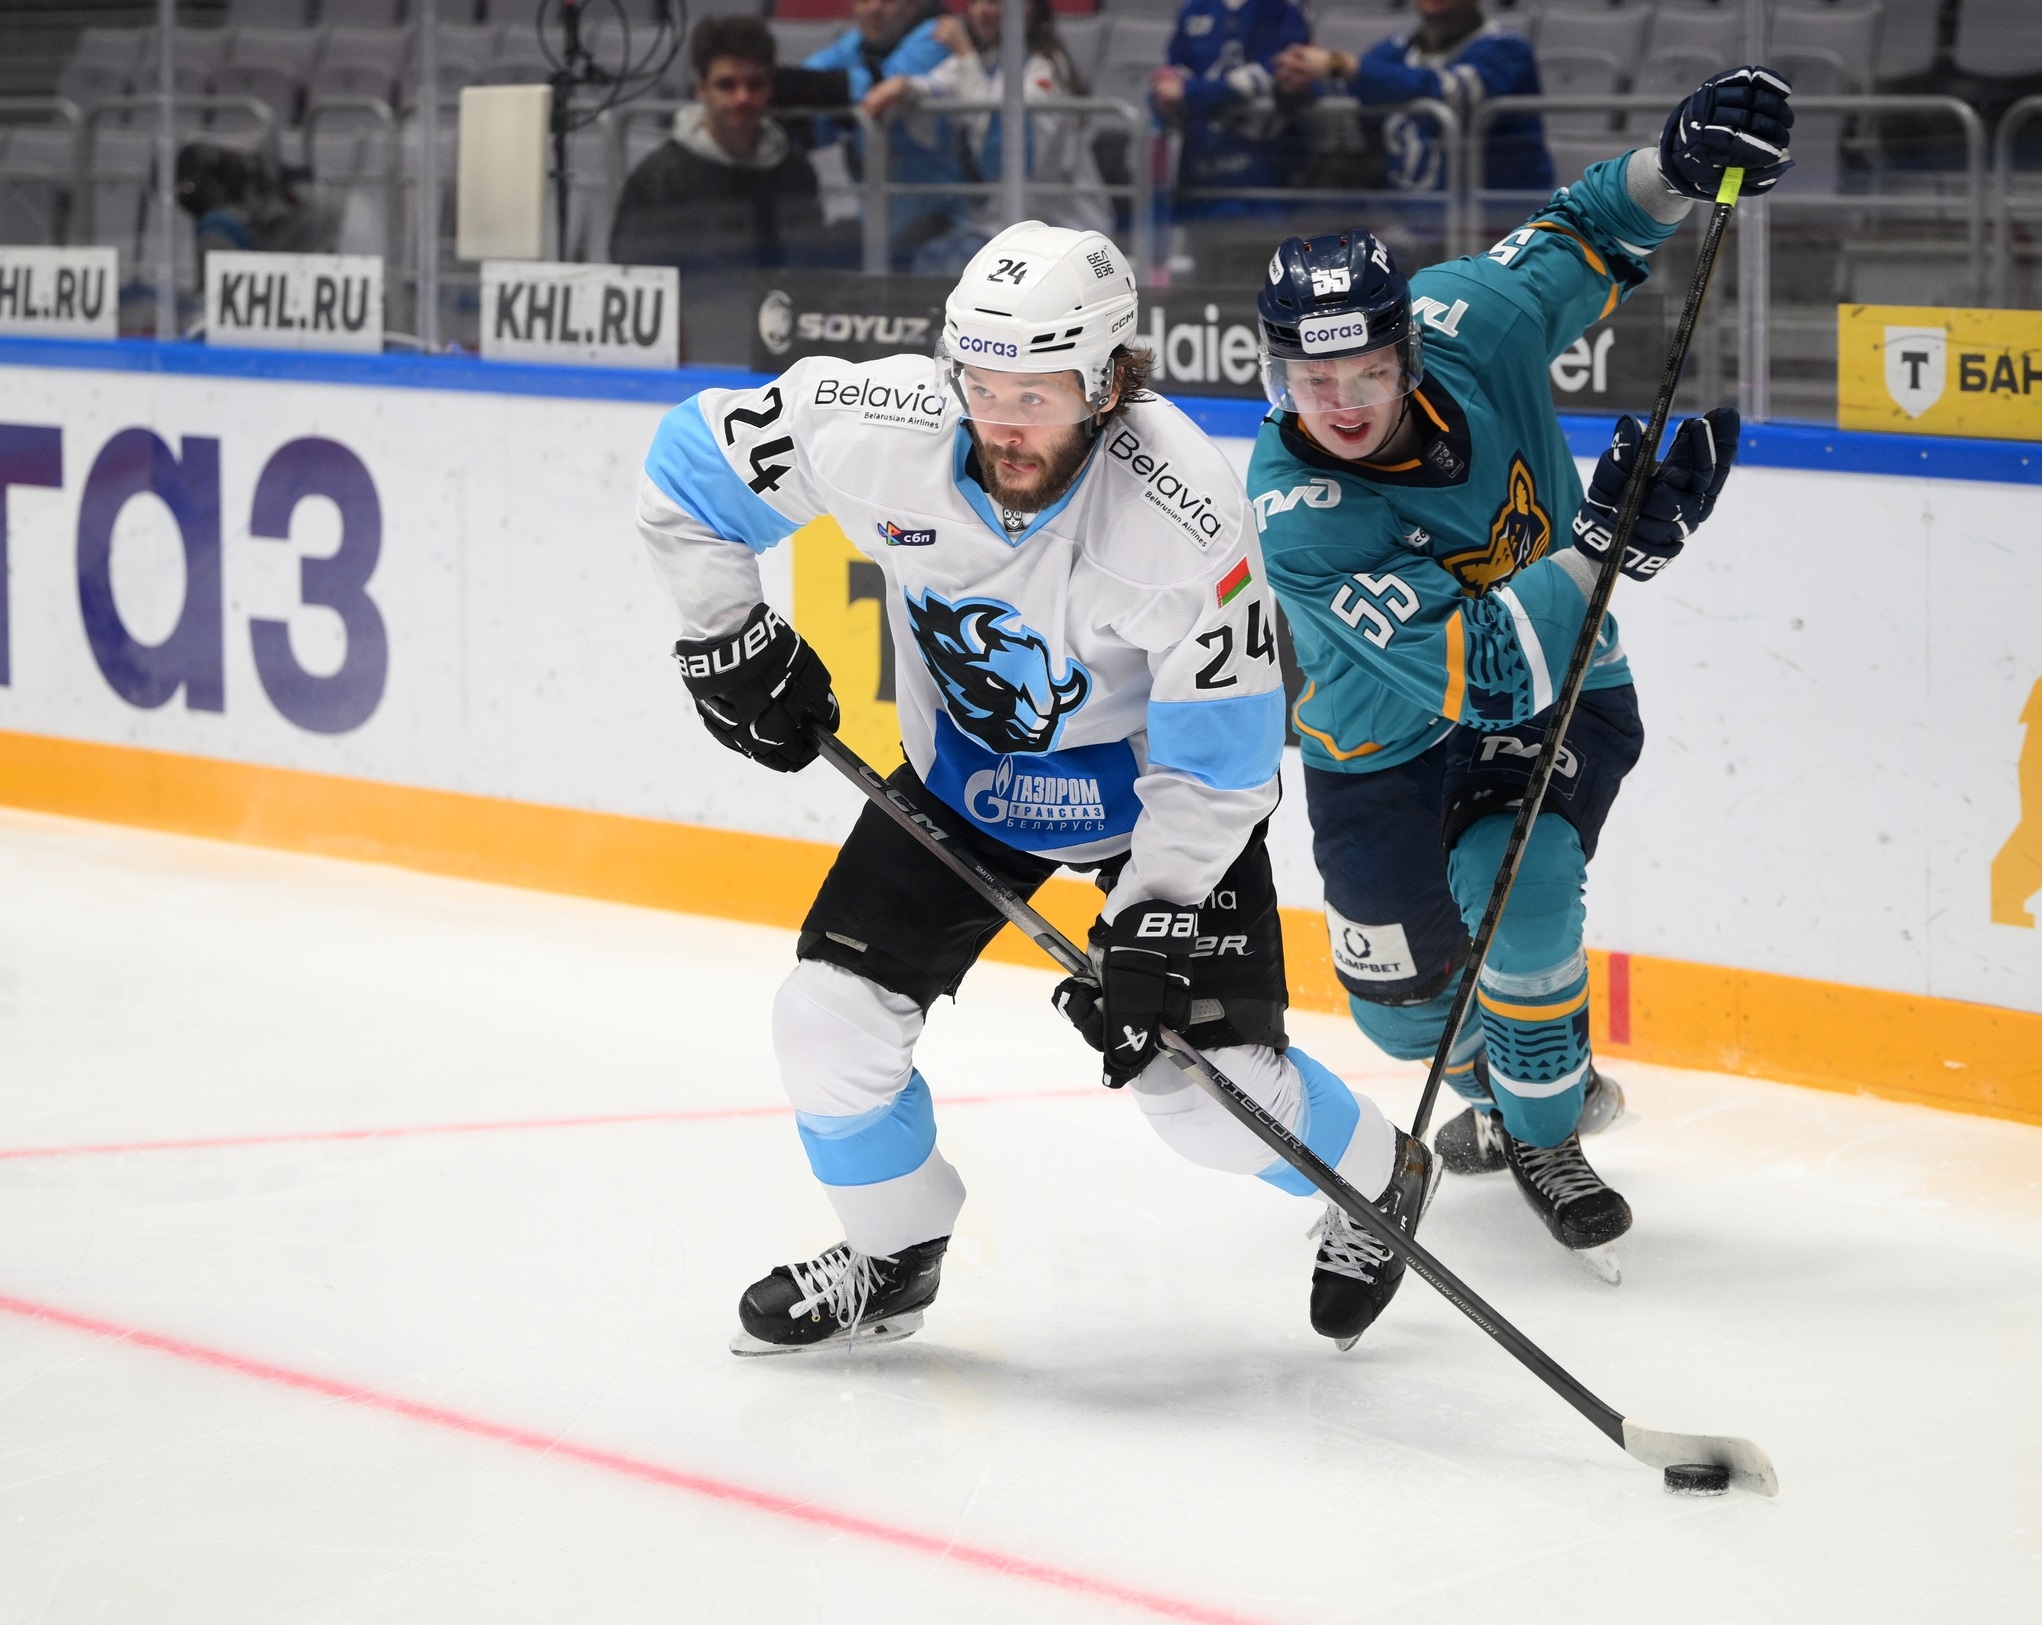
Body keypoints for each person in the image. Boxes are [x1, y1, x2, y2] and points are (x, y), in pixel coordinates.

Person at [634, 222, 1438, 1356]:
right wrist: (722, 631)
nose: (1004, 423)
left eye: (1038, 394)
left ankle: (1378, 1172)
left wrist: (1155, 910)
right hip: (965, 776)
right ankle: (892, 1253)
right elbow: (690, 463)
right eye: (982, 386)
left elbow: (1223, 754)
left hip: (1153, 804)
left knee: (1197, 1098)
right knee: (824, 1023)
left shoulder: (1186, 515)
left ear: (1108, 382)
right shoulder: (883, 424)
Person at [1246, 69, 1793, 1273]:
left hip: (1565, 684)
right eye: (1311, 381)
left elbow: (1590, 228)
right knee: (1399, 1013)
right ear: (1276, 375)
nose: (1340, 404)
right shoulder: (1300, 511)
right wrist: (1602, 544)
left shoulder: (1473, 320)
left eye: (1366, 372)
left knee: (1521, 872)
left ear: (1408, 348)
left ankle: (1547, 1137)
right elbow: (1482, 669)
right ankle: (1509, 1079)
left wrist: (1676, 163)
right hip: (1380, 740)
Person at [609, 16, 827, 359]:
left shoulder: (796, 172)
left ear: (770, 88)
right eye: (727, 85)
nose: (742, 98)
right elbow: (635, 279)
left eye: (754, 84)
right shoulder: (659, 176)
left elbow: (810, 275)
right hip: (687, 356)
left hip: (775, 356)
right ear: (701, 89)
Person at [868, 0, 1112, 244]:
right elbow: (937, 83)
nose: (982, 10)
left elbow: (1001, 146)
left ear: (1027, 8)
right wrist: (904, 86)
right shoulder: (986, 59)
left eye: (994, 2)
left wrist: (965, 52)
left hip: (1063, 226)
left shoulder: (1045, 69)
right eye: (975, 1)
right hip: (1001, 222)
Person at [1272, 0, 1550, 196]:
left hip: (1495, 230)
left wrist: (1342, 65)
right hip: (1409, 229)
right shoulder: (1394, 51)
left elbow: (1456, 96)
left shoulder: (1508, 50)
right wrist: (1299, 84)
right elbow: (1348, 120)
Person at [797, 0, 968, 269]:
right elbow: (806, 76)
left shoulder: (937, 35)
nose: (874, 8)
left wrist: (791, 85)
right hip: (877, 222)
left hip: (943, 218)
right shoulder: (856, 43)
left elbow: (877, 88)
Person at [1151, 0, 1312, 252]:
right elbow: (1175, 69)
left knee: (1262, 260)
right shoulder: (1195, 9)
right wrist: (1169, 82)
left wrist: (1193, 93)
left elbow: (1275, 72)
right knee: (1202, 260)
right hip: (1201, 174)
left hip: (1262, 175)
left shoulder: (1281, 11)